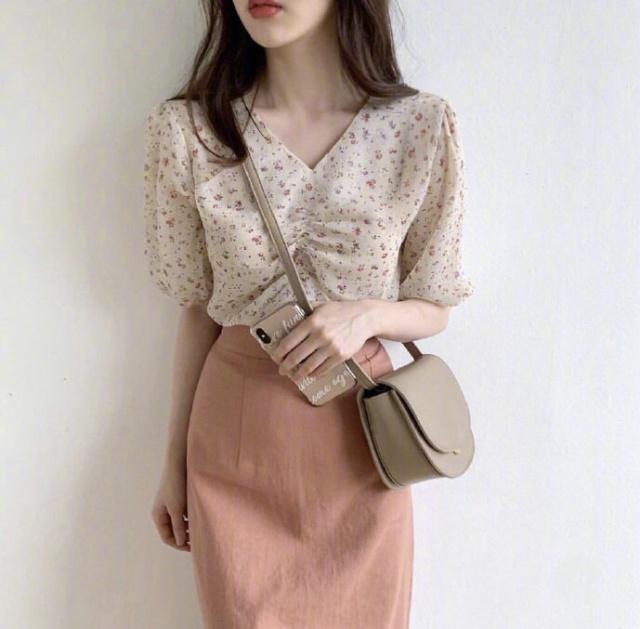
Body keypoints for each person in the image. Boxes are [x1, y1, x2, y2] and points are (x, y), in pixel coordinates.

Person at [143, 1, 474, 627]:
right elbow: (197, 312)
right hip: (236, 445)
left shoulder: (419, 127)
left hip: (367, 444)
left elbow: (435, 306)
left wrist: (365, 316)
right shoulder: (190, 133)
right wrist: (172, 462)